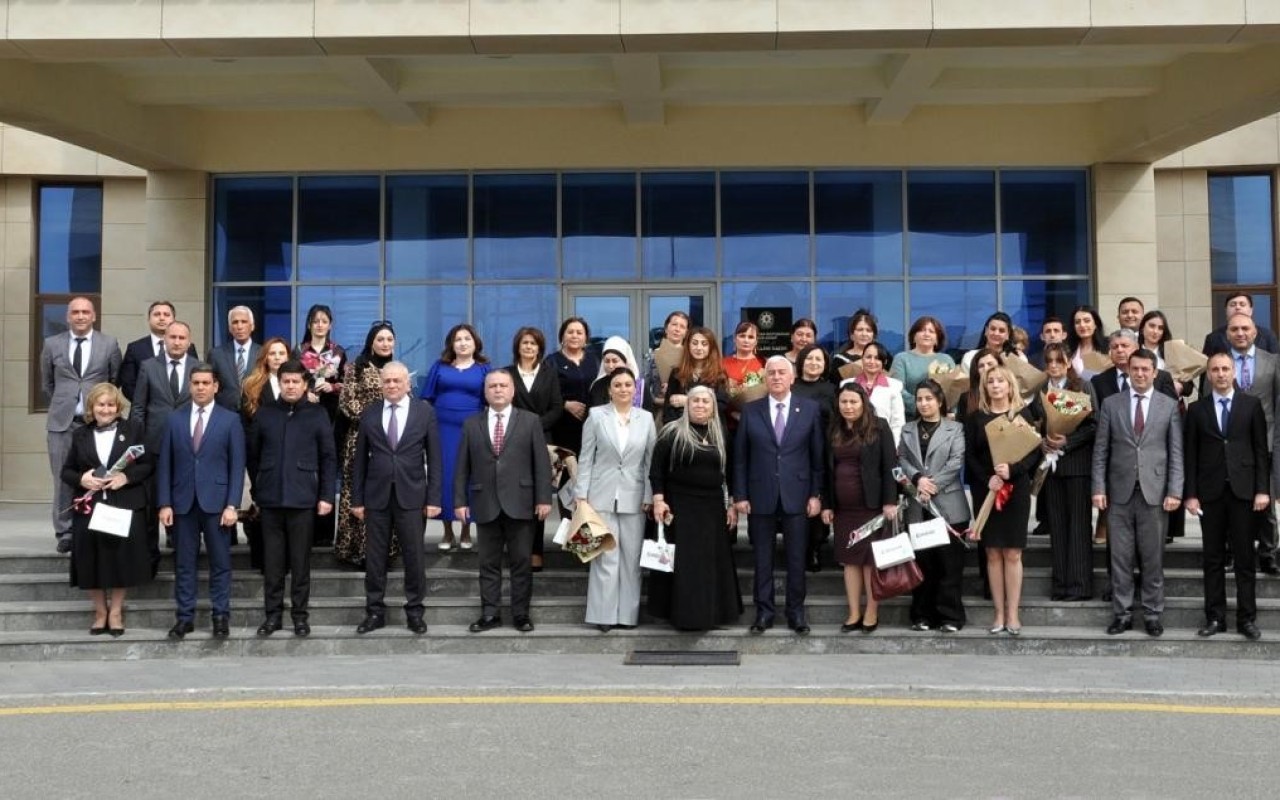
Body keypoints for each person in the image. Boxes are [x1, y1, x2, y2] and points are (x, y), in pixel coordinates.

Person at [1091, 348, 1183, 638]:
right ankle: (1123, 614)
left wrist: (1175, 491)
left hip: (1154, 494)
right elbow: (1101, 450)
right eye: (1135, 369)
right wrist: (1098, 488)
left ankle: (1153, 614)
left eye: (1145, 369)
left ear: (1155, 373)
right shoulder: (1111, 404)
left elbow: (1175, 453)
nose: (1140, 374)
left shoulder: (1168, 405)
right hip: (1118, 493)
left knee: (1152, 558)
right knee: (1120, 558)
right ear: (1128, 371)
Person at [733, 356, 825, 636]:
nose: (776, 377)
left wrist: (816, 494)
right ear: (765, 378)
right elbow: (740, 458)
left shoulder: (809, 409)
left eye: (782, 372)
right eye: (771, 373)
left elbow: (817, 457)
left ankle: (796, 613)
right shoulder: (751, 410)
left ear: (792, 377)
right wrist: (740, 495)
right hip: (760, 494)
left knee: (797, 559)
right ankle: (764, 612)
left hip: (798, 494)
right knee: (763, 560)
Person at [455, 369, 552, 634]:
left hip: (521, 502)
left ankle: (521, 614)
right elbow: (462, 466)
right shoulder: (471, 424)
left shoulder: (530, 421)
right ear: (485, 392)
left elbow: (541, 463)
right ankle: (490, 614)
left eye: (503, 385)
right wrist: (460, 501)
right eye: (492, 386)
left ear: (512, 390)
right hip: (485, 501)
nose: (498, 390)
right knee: (487, 563)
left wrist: (544, 498)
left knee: (521, 562)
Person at [245, 360, 337, 638]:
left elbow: (328, 457)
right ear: (279, 383)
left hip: (303, 499)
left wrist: (326, 495)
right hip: (271, 499)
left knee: (300, 564)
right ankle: (272, 616)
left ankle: (299, 616)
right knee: (273, 564)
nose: (291, 386)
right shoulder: (265, 414)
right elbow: (253, 456)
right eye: (286, 381)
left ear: (305, 384)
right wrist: (258, 490)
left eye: (296, 381)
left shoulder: (317, 414)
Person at [350, 361, 443, 635]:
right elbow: (359, 461)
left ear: (407, 384)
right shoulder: (370, 412)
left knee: (414, 557)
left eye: (396, 381)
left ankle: (414, 612)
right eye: (387, 381)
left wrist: (434, 498)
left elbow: (435, 459)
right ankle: (374, 612)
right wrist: (357, 499)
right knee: (375, 558)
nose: (391, 385)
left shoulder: (424, 412)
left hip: (412, 496)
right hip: (376, 497)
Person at [156, 365, 246, 640]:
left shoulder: (230, 420)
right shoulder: (175, 419)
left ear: (216, 386)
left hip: (217, 505)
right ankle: (185, 618)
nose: (200, 387)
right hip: (183, 503)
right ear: (190, 385)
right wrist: (164, 503)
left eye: (206, 383)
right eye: (196, 383)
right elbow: (165, 464)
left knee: (220, 563)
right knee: (184, 563)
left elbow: (237, 466)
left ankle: (220, 616)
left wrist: (232, 505)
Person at [1184, 352, 1268, 641]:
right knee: (1213, 558)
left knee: (1245, 559)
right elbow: (1190, 455)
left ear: (1233, 372)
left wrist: (1262, 489)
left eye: (1225, 369)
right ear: (1208, 375)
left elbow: (1260, 450)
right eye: (1215, 370)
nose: (1220, 374)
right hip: (1210, 494)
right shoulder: (1197, 409)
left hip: (1244, 492)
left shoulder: (1251, 405)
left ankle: (1247, 619)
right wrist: (1191, 495)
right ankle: (1215, 617)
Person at [60, 382, 151, 636]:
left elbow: (148, 464)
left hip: (123, 502)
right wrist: (82, 479)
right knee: (90, 558)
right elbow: (66, 471)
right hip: (91, 505)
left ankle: (116, 611)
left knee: (121, 558)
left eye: (111, 405)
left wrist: (126, 477)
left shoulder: (133, 429)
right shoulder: (80, 434)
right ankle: (100, 612)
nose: (106, 409)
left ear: (118, 407)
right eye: (101, 404)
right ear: (92, 407)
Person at [648, 385, 742, 631]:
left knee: (709, 562)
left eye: (705, 401)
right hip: (680, 507)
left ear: (713, 407)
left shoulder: (720, 434)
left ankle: (710, 614)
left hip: (712, 507)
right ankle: (684, 615)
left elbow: (730, 473)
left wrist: (731, 505)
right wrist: (658, 500)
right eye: (695, 401)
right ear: (687, 405)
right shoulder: (671, 432)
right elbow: (656, 470)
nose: (700, 405)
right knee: (685, 562)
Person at [576, 367, 657, 632]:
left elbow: (650, 461)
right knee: (604, 556)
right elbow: (586, 458)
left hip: (634, 496)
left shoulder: (646, 418)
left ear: (635, 390)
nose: (623, 389)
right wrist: (581, 494)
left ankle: (627, 616)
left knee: (631, 559)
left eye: (628, 385)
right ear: (609, 390)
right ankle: (604, 615)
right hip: (600, 494)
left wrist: (649, 494)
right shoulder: (596, 416)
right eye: (618, 385)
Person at [964, 365, 1040, 635]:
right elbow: (970, 456)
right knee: (992, 553)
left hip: (1015, 489)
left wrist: (1013, 470)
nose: (995, 385)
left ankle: (1013, 614)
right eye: (991, 381)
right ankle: (998, 613)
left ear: (1010, 386)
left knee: (1013, 553)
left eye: (1000, 381)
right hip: (987, 489)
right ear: (984, 387)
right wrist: (988, 479)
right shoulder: (976, 418)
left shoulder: (1022, 414)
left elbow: (1034, 452)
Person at [42, 297, 122, 553]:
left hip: (95, 423)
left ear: (93, 316)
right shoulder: (51, 344)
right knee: (63, 478)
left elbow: (114, 380)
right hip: (62, 424)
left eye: (85, 312)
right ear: (68, 316)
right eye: (75, 312)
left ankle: (94, 527)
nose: (80, 316)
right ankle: (65, 532)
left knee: (99, 476)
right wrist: (66, 403)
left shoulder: (109, 344)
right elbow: (47, 384)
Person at [821, 382, 897, 634]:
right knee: (849, 561)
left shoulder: (879, 427)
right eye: (844, 402)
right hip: (843, 509)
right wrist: (827, 504)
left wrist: (890, 501)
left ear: (863, 403)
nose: (848, 406)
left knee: (869, 561)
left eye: (853, 402)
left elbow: (890, 466)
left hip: (871, 507)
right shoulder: (834, 429)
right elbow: (826, 469)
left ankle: (871, 612)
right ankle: (853, 612)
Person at [899, 380, 969, 632]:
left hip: (949, 505)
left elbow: (956, 461)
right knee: (923, 563)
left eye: (929, 398)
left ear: (939, 401)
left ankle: (950, 617)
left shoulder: (955, 428)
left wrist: (932, 484)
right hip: (918, 505)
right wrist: (918, 479)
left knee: (949, 565)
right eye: (919, 399)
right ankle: (922, 615)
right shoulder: (907, 429)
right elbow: (902, 458)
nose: (923, 403)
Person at [1036, 342, 1098, 601]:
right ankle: (1060, 585)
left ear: (1068, 362)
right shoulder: (1041, 390)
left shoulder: (1082, 386)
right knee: (1057, 526)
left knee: (1079, 526)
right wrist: (1041, 441)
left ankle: (1080, 586)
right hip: (1051, 468)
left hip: (1077, 467)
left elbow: (1094, 425)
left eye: (1058, 361)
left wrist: (1068, 441)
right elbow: (1035, 424)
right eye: (1049, 361)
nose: (1053, 366)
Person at [421, 323, 491, 551]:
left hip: (472, 430)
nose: (462, 343)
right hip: (442, 430)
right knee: (445, 476)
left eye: (467, 339)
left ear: (475, 343)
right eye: (458, 339)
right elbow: (427, 398)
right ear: (451, 344)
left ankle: (466, 530)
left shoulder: (484, 368)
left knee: (468, 476)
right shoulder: (439, 366)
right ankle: (447, 531)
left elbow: (491, 400)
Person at [335, 322, 398, 568]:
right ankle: (358, 551)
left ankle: (385, 550)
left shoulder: (397, 369)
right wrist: (375, 422)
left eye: (389, 339)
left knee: (387, 494)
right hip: (360, 438)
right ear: (371, 342)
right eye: (380, 339)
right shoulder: (357, 368)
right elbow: (347, 402)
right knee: (358, 493)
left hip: (391, 441)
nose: (385, 343)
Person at [1222, 313, 1280, 575]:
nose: (1240, 333)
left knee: (1265, 501)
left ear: (1255, 332)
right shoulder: (1219, 363)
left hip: (1265, 440)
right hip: (1230, 442)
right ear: (1227, 334)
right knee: (1232, 499)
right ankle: (1233, 552)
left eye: (1245, 328)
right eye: (1235, 329)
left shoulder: (1273, 361)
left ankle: (1268, 553)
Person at [508, 326, 563, 572]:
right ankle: (516, 550)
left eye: (533, 343)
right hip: (512, 439)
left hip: (541, 438)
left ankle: (535, 551)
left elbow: (557, 407)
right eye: (525, 343)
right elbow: (502, 404)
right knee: (514, 494)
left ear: (539, 348)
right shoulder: (507, 374)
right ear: (517, 347)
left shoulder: (549, 373)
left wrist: (533, 426)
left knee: (539, 495)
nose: (529, 347)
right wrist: (521, 427)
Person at [294, 303, 347, 547]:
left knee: (328, 469)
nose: (319, 325)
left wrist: (332, 387)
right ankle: (305, 531)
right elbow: (291, 379)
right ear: (309, 324)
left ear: (330, 325)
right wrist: (305, 393)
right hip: (305, 414)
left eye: (324, 321)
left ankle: (326, 534)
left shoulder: (338, 352)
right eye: (315, 321)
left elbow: (346, 383)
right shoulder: (298, 351)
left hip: (330, 415)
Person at [237, 337, 292, 570]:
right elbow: (246, 425)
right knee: (264, 509)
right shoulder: (252, 385)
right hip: (261, 457)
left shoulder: (298, 383)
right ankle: (263, 561)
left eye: (281, 353)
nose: (277, 357)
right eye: (272, 353)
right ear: (265, 358)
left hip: (291, 459)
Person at [794, 343, 836, 572]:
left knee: (822, 496)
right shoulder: (791, 388)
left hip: (826, 450)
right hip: (797, 451)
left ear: (825, 364)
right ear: (801, 362)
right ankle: (800, 547)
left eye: (819, 359)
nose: (813, 363)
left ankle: (816, 548)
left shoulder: (832, 390)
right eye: (809, 358)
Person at [116, 300, 196, 403]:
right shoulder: (135, 348)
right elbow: (128, 385)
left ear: (174, 319)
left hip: (182, 409)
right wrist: (150, 404)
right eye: (157, 314)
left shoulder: (188, 348)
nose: (162, 318)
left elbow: (194, 379)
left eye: (166, 315)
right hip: (146, 409)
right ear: (149, 319)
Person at [547, 316, 599, 458]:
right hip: (562, 424)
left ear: (585, 338)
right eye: (570, 332)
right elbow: (545, 392)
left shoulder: (594, 360)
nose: (574, 336)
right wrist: (565, 404)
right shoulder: (552, 361)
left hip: (591, 423)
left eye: (579, 332)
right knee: (567, 464)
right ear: (562, 336)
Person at [890, 315, 954, 419]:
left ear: (937, 339)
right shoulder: (902, 358)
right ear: (913, 336)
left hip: (942, 418)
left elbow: (955, 389)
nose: (926, 334)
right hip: (911, 418)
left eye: (931, 331)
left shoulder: (946, 360)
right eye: (922, 330)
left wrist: (950, 410)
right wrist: (924, 406)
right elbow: (898, 390)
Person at [663, 326, 727, 425]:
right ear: (688, 346)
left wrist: (687, 401)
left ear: (711, 348)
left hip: (710, 428)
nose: (699, 348)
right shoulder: (677, 373)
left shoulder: (719, 374)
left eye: (704, 344)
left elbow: (722, 405)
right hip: (682, 428)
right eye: (694, 343)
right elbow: (668, 408)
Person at [849, 341, 905, 445]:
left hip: (883, 441)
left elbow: (898, 422)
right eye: (868, 357)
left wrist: (895, 445)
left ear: (884, 362)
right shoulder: (847, 384)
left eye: (877, 358)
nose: (872, 361)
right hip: (853, 441)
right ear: (862, 359)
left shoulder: (894, 386)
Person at [206, 305, 260, 412]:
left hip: (255, 412)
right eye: (235, 322)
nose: (239, 326)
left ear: (252, 326)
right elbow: (210, 384)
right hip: (224, 413)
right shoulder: (216, 354)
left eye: (244, 322)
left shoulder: (262, 353)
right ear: (230, 328)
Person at [1202, 291, 1280, 355]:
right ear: (1226, 310)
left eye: (1242, 304)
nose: (1237, 307)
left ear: (1251, 310)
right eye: (1233, 305)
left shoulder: (1268, 336)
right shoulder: (1213, 338)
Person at [646, 311, 689, 413]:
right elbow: (644, 385)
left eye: (682, 327)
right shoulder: (653, 356)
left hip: (682, 411)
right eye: (674, 324)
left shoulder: (689, 357)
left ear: (686, 333)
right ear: (666, 328)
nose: (677, 329)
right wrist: (654, 399)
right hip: (657, 410)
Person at [588, 336, 643, 408]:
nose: (610, 366)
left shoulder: (641, 388)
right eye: (607, 361)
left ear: (625, 362)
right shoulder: (597, 386)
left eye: (615, 361)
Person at [954, 349, 1002, 421]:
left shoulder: (1011, 394)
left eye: (990, 364)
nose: (985, 369)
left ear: (1000, 366)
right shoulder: (966, 398)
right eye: (981, 366)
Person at [1067, 305, 1109, 380]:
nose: (1082, 325)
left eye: (1087, 321)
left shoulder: (1109, 346)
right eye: (1077, 322)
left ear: (1095, 324)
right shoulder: (1069, 349)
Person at [724, 320, 765, 385]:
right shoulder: (723, 364)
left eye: (751, 337)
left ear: (756, 341)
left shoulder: (763, 363)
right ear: (734, 338)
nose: (746, 340)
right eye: (742, 336)